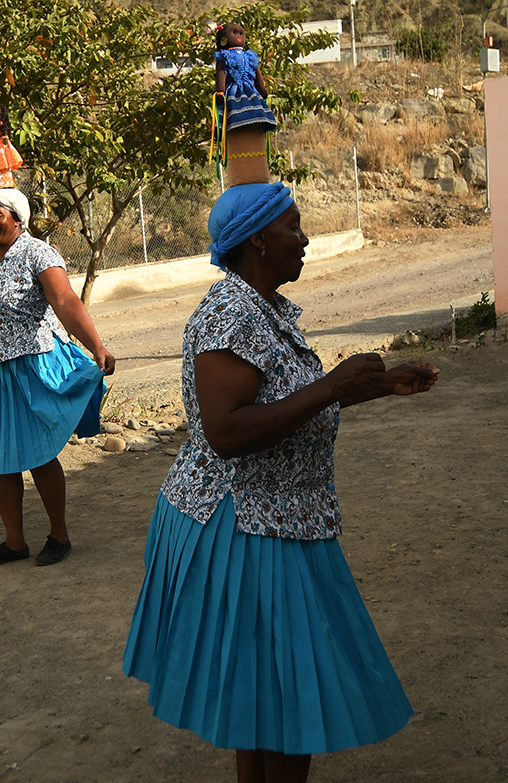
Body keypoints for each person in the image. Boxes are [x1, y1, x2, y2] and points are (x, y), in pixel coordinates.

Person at [123, 182, 438, 783]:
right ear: (259, 239)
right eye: (294, 226)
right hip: (241, 523)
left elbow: (284, 401)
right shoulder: (230, 313)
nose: (305, 237)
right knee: (286, 695)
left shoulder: (260, 308)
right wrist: (332, 386)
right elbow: (226, 431)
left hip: (277, 517)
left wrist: (376, 384)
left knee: (265, 694)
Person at [0, 187, 114, 568]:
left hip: (31, 368)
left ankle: (59, 535)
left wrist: (96, 345)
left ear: (18, 219)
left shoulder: (38, 253)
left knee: (39, 453)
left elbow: (65, 301)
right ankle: (14, 542)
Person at [214, 22, 276, 136]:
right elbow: (221, 75)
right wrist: (220, 92)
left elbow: (258, 76)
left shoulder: (247, 56)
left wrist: (263, 91)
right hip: (243, 93)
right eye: (235, 32)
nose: (238, 36)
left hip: (243, 92)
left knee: (245, 117)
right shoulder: (227, 56)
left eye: (240, 33)